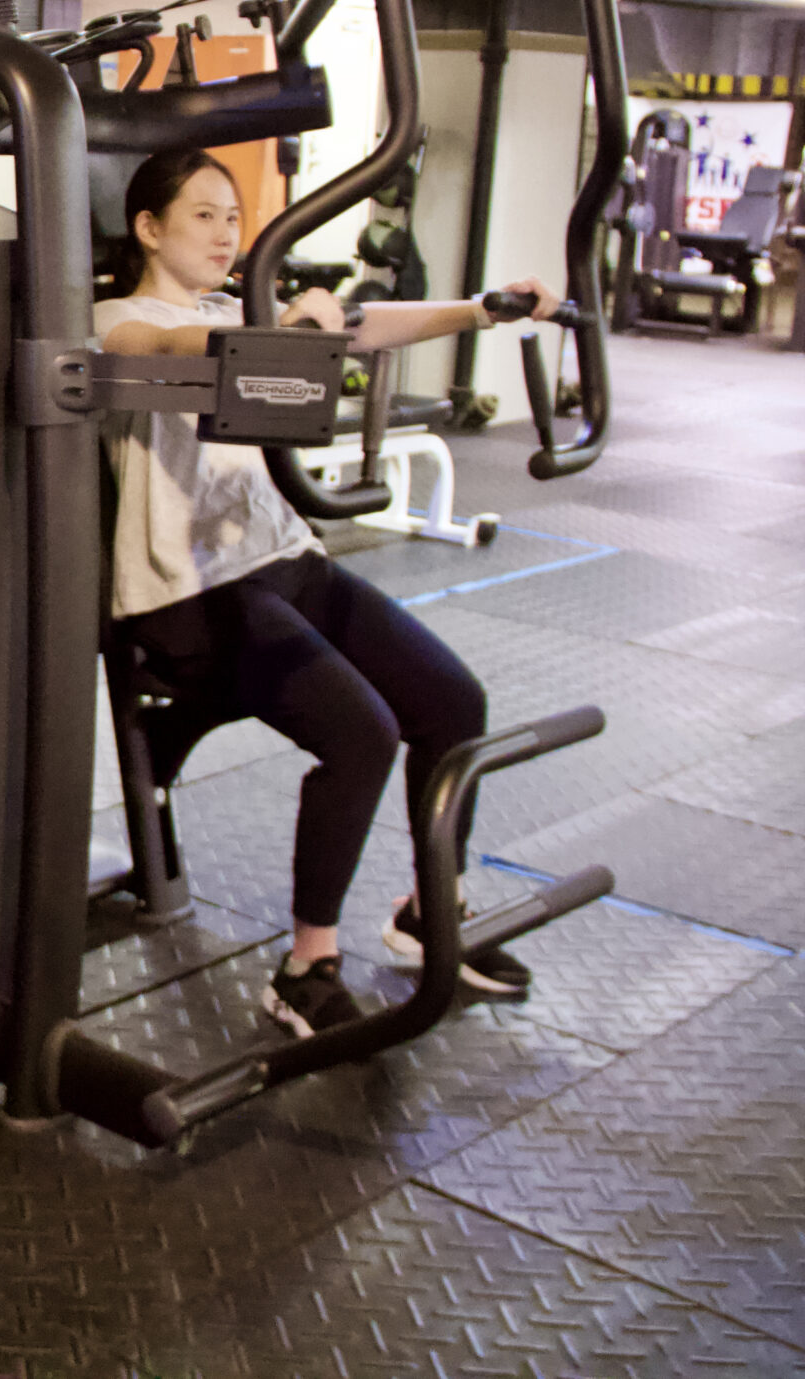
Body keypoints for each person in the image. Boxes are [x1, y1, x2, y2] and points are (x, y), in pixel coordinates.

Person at [92, 146, 557, 1039]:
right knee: (361, 733)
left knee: (453, 702)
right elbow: (169, 348)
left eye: (234, 217)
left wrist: (482, 308)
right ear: (148, 228)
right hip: (189, 593)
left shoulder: (235, 308)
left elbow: (367, 326)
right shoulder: (116, 318)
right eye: (203, 215)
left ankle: (431, 909)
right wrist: (279, 333)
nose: (226, 234)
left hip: (282, 561)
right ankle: (308, 966)